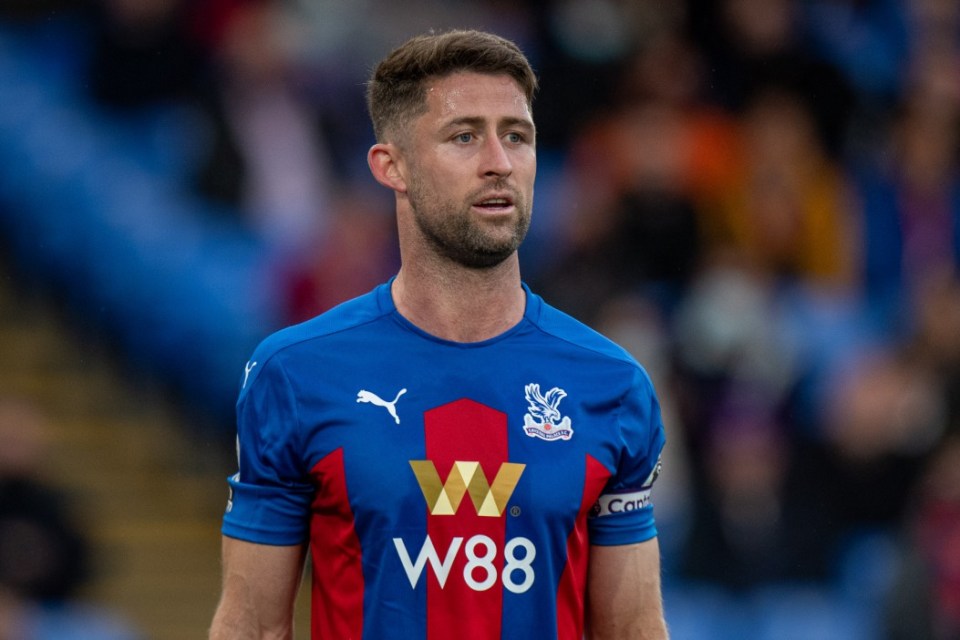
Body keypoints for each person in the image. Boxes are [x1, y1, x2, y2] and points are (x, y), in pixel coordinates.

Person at [209, 29, 669, 640]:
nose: (499, 162)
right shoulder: (294, 374)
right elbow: (252, 629)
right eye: (464, 136)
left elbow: (634, 629)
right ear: (390, 165)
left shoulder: (611, 384)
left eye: (517, 136)